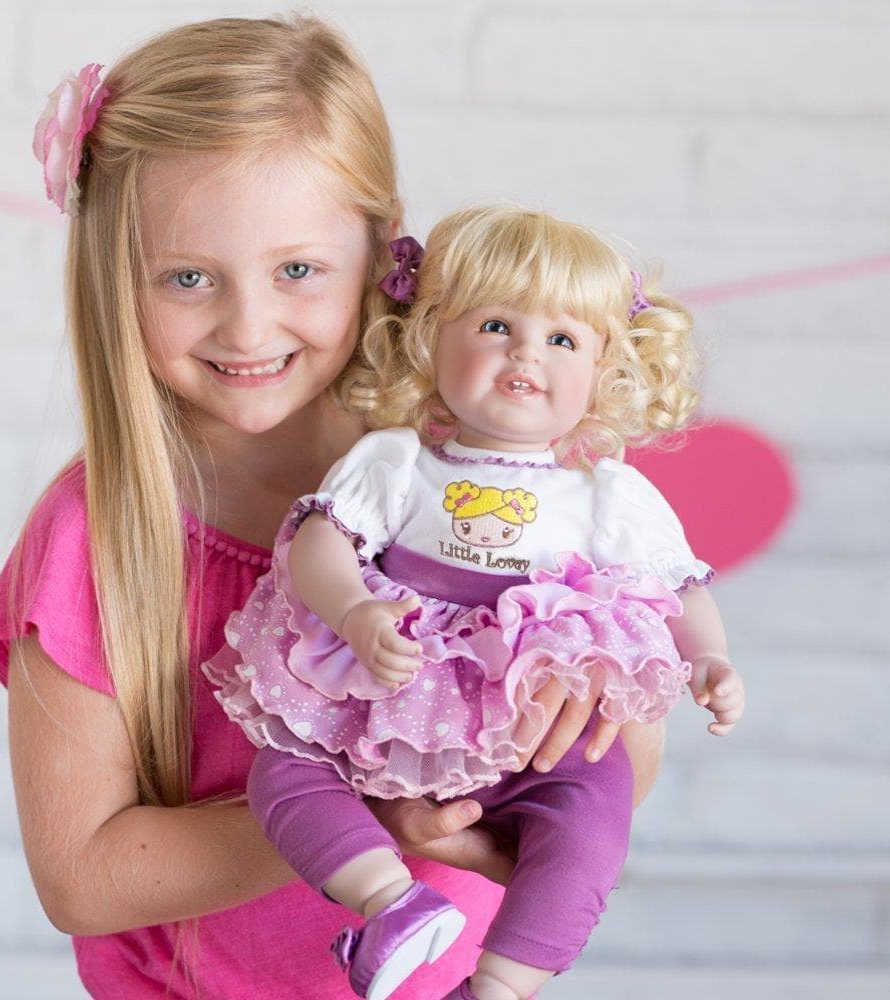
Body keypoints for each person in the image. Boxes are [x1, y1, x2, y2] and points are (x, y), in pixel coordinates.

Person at [0, 17, 669, 999]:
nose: (248, 326)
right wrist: (365, 810)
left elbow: (620, 764)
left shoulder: (491, 482)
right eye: (187, 277)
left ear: (384, 251)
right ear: (113, 278)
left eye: (297, 270)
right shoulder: (96, 532)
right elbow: (83, 877)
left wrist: (553, 751)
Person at [210, 206, 746, 1000]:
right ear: (433, 338)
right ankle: (391, 904)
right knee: (286, 771)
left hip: (536, 730)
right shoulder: (397, 461)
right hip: (395, 702)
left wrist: (711, 657)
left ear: (604, 370)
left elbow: (677, 588)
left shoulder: (607, 495)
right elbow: (320, 541)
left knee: (593, 820)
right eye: (496, 325)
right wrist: (354, 610)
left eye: (562, 339)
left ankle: (498, 984)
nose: (526, 352)